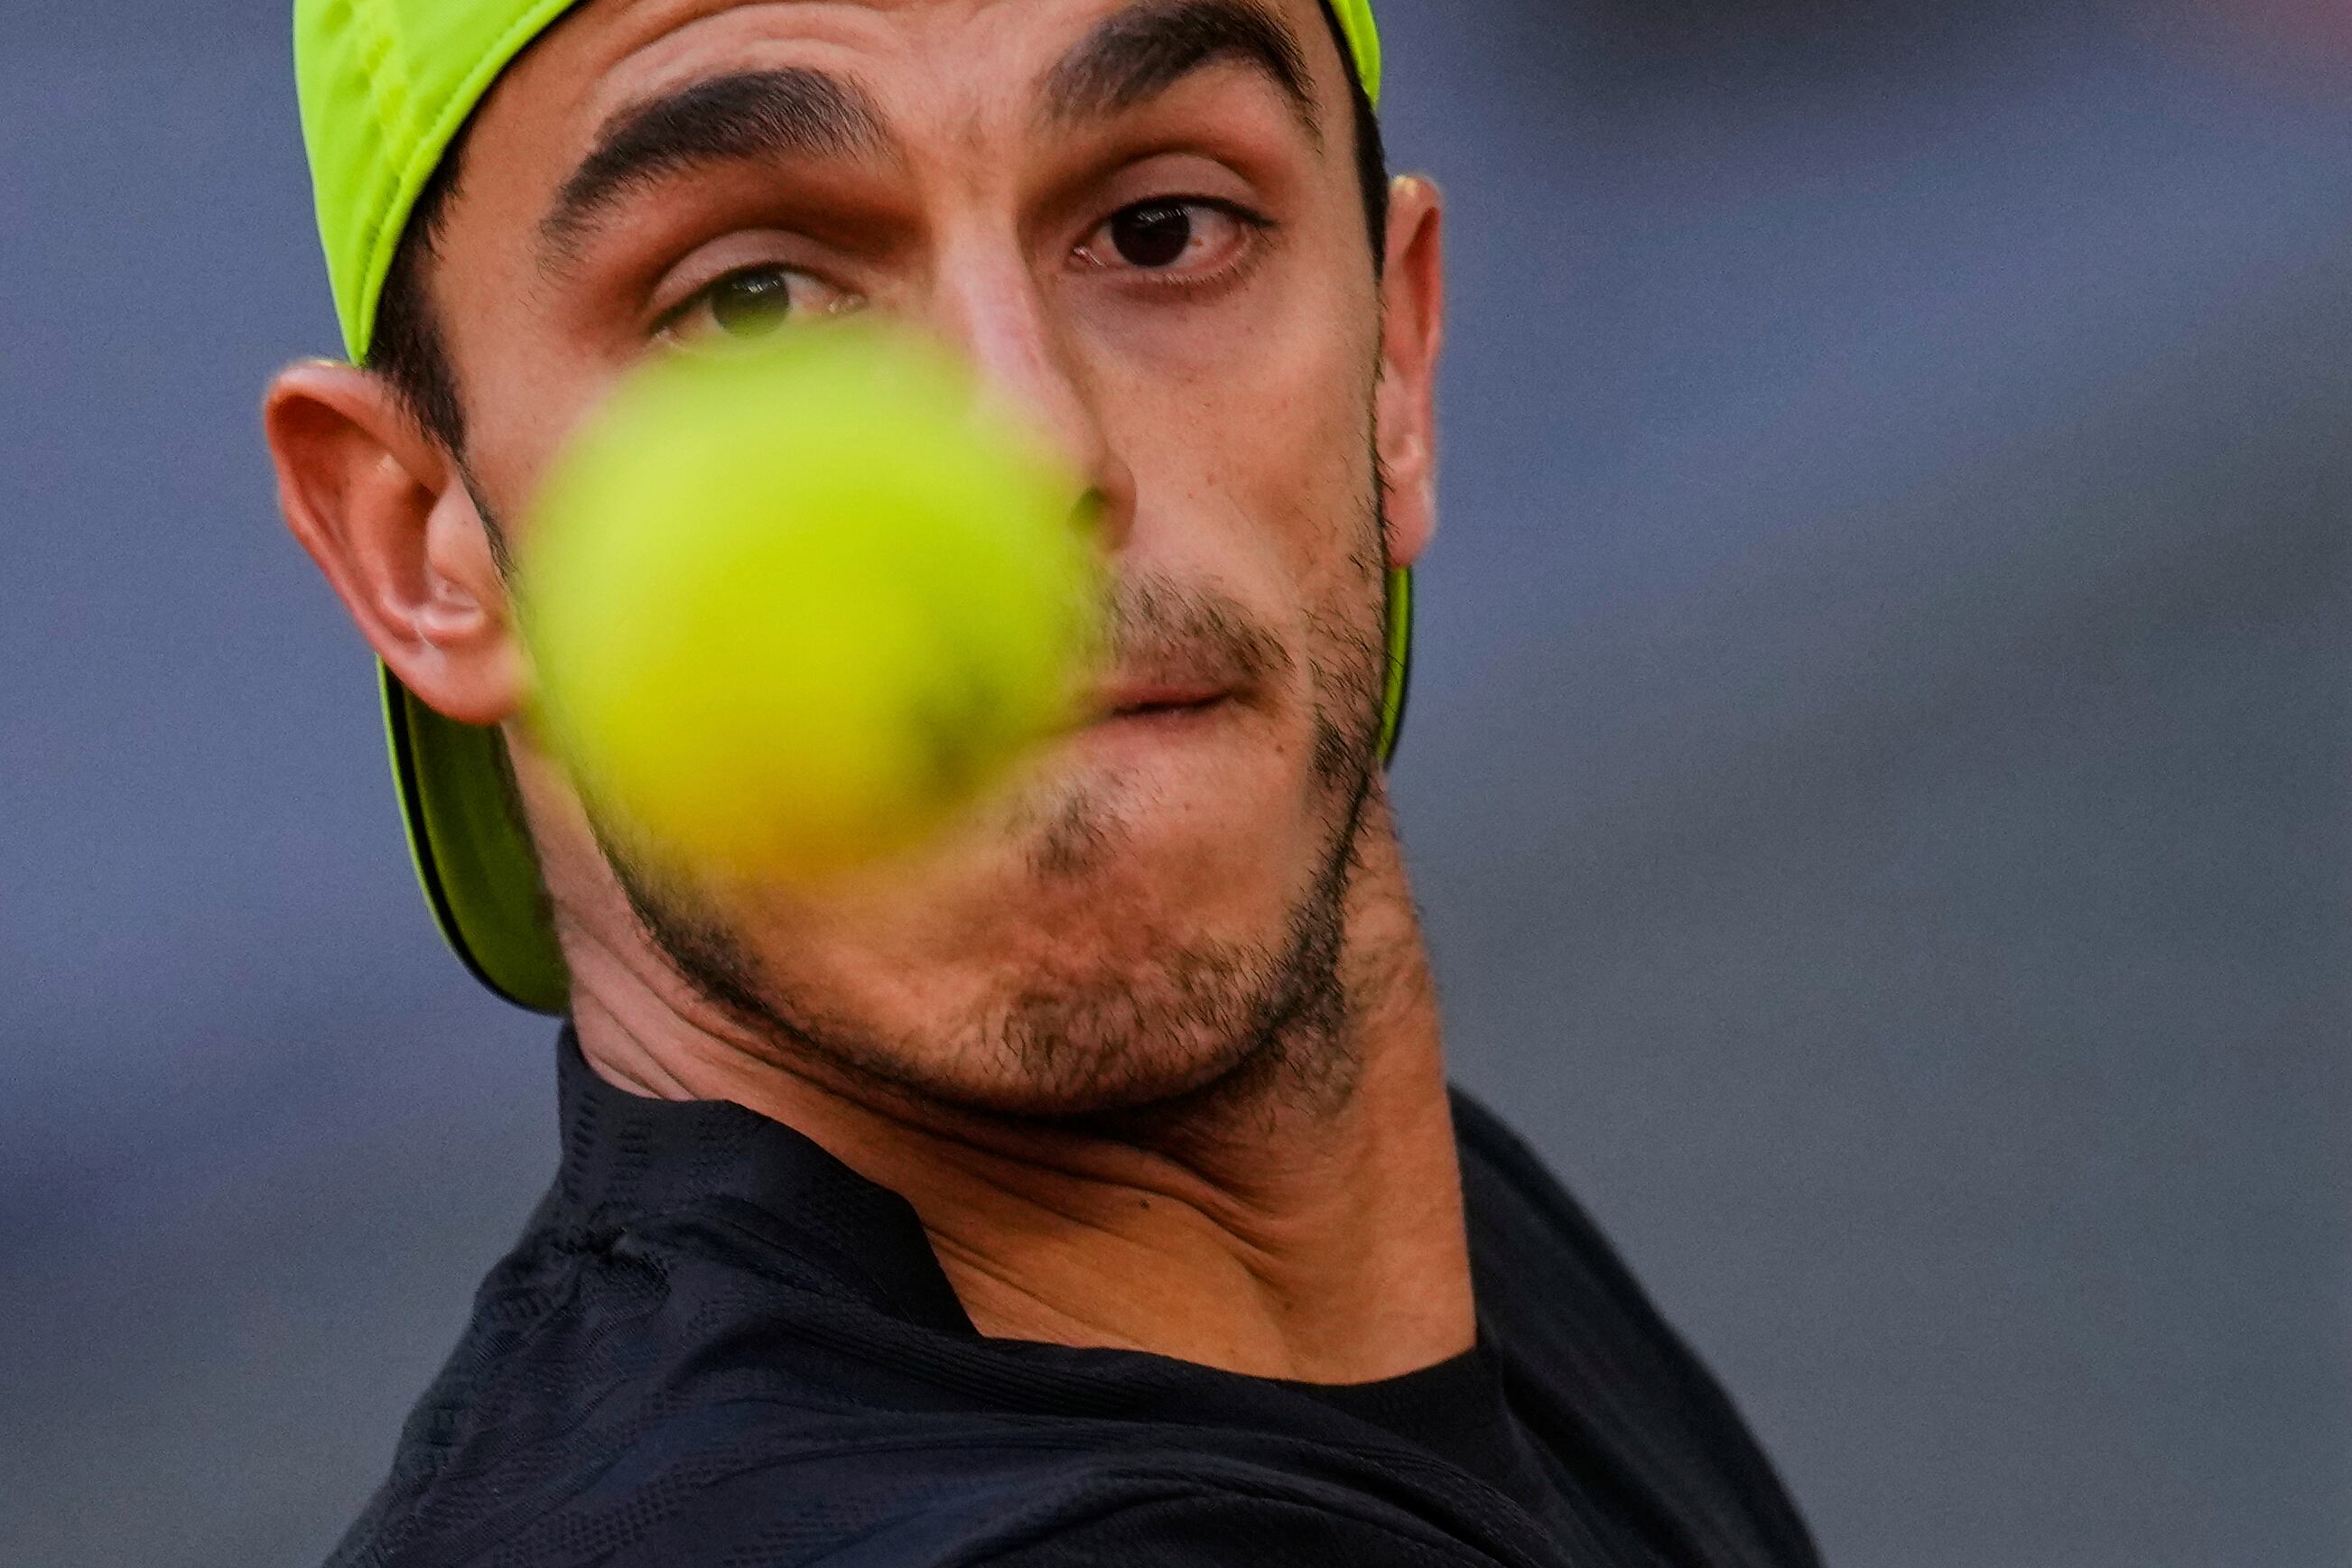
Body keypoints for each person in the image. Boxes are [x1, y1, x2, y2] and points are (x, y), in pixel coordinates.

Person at [263, 0, 1823, 1563]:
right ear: (420, 550)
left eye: (1161, 229)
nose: (1031, 447)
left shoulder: (1463, 1260)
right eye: (748, 305)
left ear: (1397, 360)